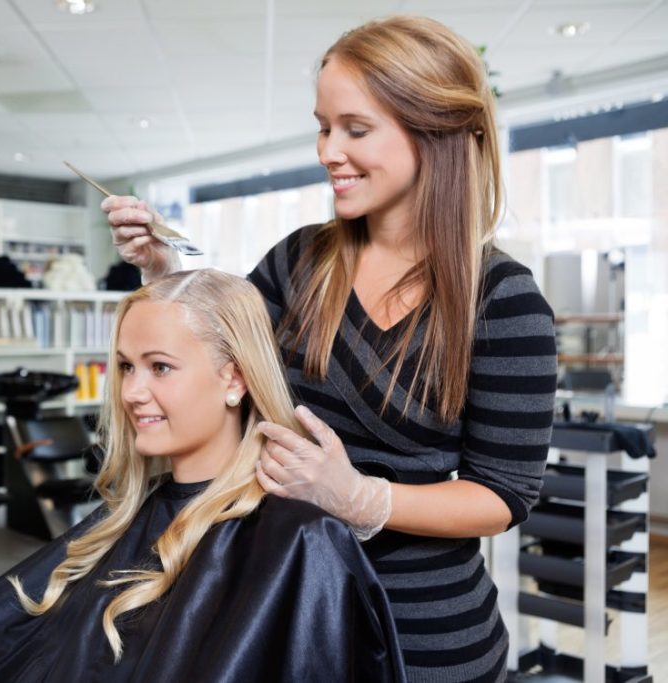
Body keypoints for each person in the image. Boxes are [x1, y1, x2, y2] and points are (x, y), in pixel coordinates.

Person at [103, 16, 557, 683]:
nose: (327, 150)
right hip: (286, 619)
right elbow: (220, 364)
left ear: (433, 130)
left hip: (427, 642)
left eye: (355, 128)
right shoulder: (298, 263)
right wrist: (164, 271)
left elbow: (504, 494)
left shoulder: (504, 301)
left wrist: (365, 498)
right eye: (323, 126)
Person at [0, 269, 406, 683]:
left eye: (160, 366)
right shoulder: (123, 522)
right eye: (125, 366)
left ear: (234, 380)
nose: (132, 392)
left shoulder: (301, 542)